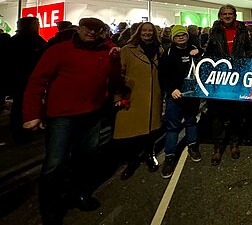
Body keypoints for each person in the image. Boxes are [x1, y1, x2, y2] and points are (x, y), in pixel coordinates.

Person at [22, 17, 117, 225]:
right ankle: (50, 209)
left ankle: (79, 194)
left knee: (86, 158)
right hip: (62, 116)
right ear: (79, 28)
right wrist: (32, 114)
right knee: (54, 164)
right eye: (87, 28)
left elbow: (112, 75)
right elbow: (37, 81)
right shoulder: (60, 50)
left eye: (96, 29)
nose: (91, 32)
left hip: (92, 114)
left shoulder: (105, 51)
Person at [113, 21, 164, 180]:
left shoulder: (160, 50)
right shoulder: (127, 50)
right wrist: (118, 97)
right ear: (138, 32)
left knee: (150, 131)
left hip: (153, 94)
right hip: (134, 95)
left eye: (150, 31)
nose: (147, 33)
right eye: (145, 30)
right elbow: (119, 74)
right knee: (132, 131)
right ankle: (132, 161)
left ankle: (150, 155)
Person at [203, 4, 252, 165]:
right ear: (220, 16)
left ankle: (234, 142)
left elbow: (249, 51)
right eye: (224, 13)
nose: (227, 16)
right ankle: (218, 147)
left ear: (235, 15)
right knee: (217, 113)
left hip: (238, 77)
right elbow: (208, 54)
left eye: (230, 13)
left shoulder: (243, 31)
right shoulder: (214, 32)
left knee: (236, 113)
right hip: (220, 77)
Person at [159, 25, 201, 179]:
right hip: (175, 96)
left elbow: (204, 64)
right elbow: (162, 75)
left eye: (183, 35)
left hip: (191, 95)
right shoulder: (168, 53)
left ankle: (192, 146)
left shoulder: (195, 49)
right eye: (178, 36)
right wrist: (171, 90)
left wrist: (200, 53)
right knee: (172, 127)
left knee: (191, 122)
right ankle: (169, 156)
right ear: (173, 38)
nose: (181, 38)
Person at [6, 16, 47, 143]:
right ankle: (22, 131)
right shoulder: (33, 40)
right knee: (22, 104)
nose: (38, 25)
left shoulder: (15, 40)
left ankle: (20, 130)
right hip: (26, 77)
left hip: (20, 78)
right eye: (36, 23)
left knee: (20, 105)